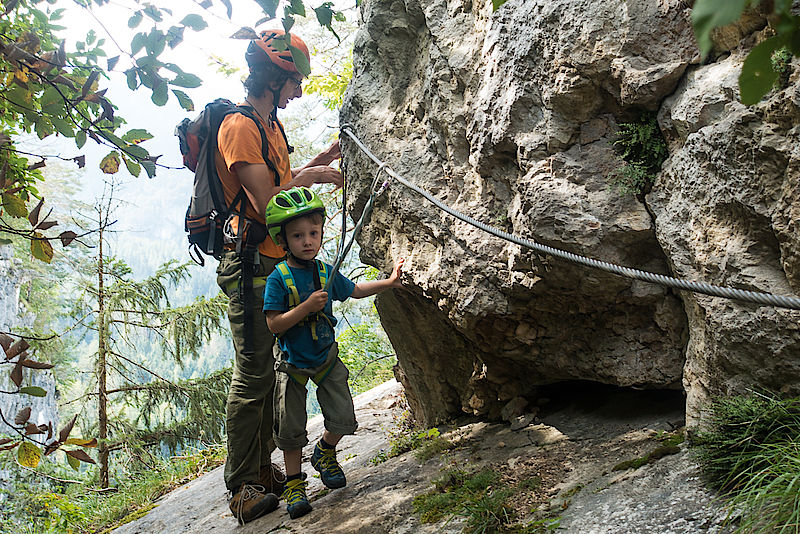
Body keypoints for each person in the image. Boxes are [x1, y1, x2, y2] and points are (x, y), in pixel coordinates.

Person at [215, 29, 342, 524]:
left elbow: (282, 188)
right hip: (250, 265)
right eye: (293, 80)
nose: (299, 91)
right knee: (253, 374)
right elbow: (270, 206)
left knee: (272, 371)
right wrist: (307, 179)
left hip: (272, 262)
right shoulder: (240, 127)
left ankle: (263, 470)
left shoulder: (267, 125)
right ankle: (243, 485)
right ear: (272, 76)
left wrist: (319, 162)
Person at [262, 186, 404, 519]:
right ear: (284, 241)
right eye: (298, 236)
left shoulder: (325, 272)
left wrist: (389, 283)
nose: (307, 241)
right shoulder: (278, 279)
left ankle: (325, 451)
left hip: (325, 357)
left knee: (343, 418)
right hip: (292, 364)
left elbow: (353, 290)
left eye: (313, 233)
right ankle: (295, 483)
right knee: (291, 428)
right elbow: (274, 324)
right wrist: (306, 307)